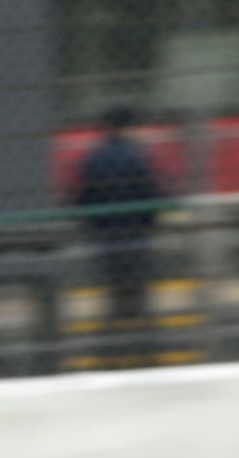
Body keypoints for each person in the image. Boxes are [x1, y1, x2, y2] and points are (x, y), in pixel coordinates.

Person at [72, 107, 167, 339]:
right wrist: (149, 223)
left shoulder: (93, 158)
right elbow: (153, 194)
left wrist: (94, 225)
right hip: (136, 233)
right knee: (138, 289)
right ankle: (142, 338)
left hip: (105, 235)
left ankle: (113, 337)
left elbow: (82, 200)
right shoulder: (139, 156)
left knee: (112, 288)